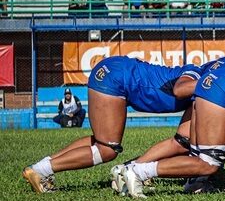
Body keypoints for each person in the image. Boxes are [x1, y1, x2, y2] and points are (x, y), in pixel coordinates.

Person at [22, 57, 205, 193]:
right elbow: (180, 90)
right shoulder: (198, 75)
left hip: (115, 72)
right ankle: (41, 171)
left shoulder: (202, 80)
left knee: (101, 140)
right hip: (117, 78)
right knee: (107, 149)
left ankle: (39, 168)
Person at [119, 56, 225, 198]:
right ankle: (133, 169)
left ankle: (197, 180)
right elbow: (180, 90)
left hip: (219, 95)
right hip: (216, 95)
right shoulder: (205, 69)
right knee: (190, 148)